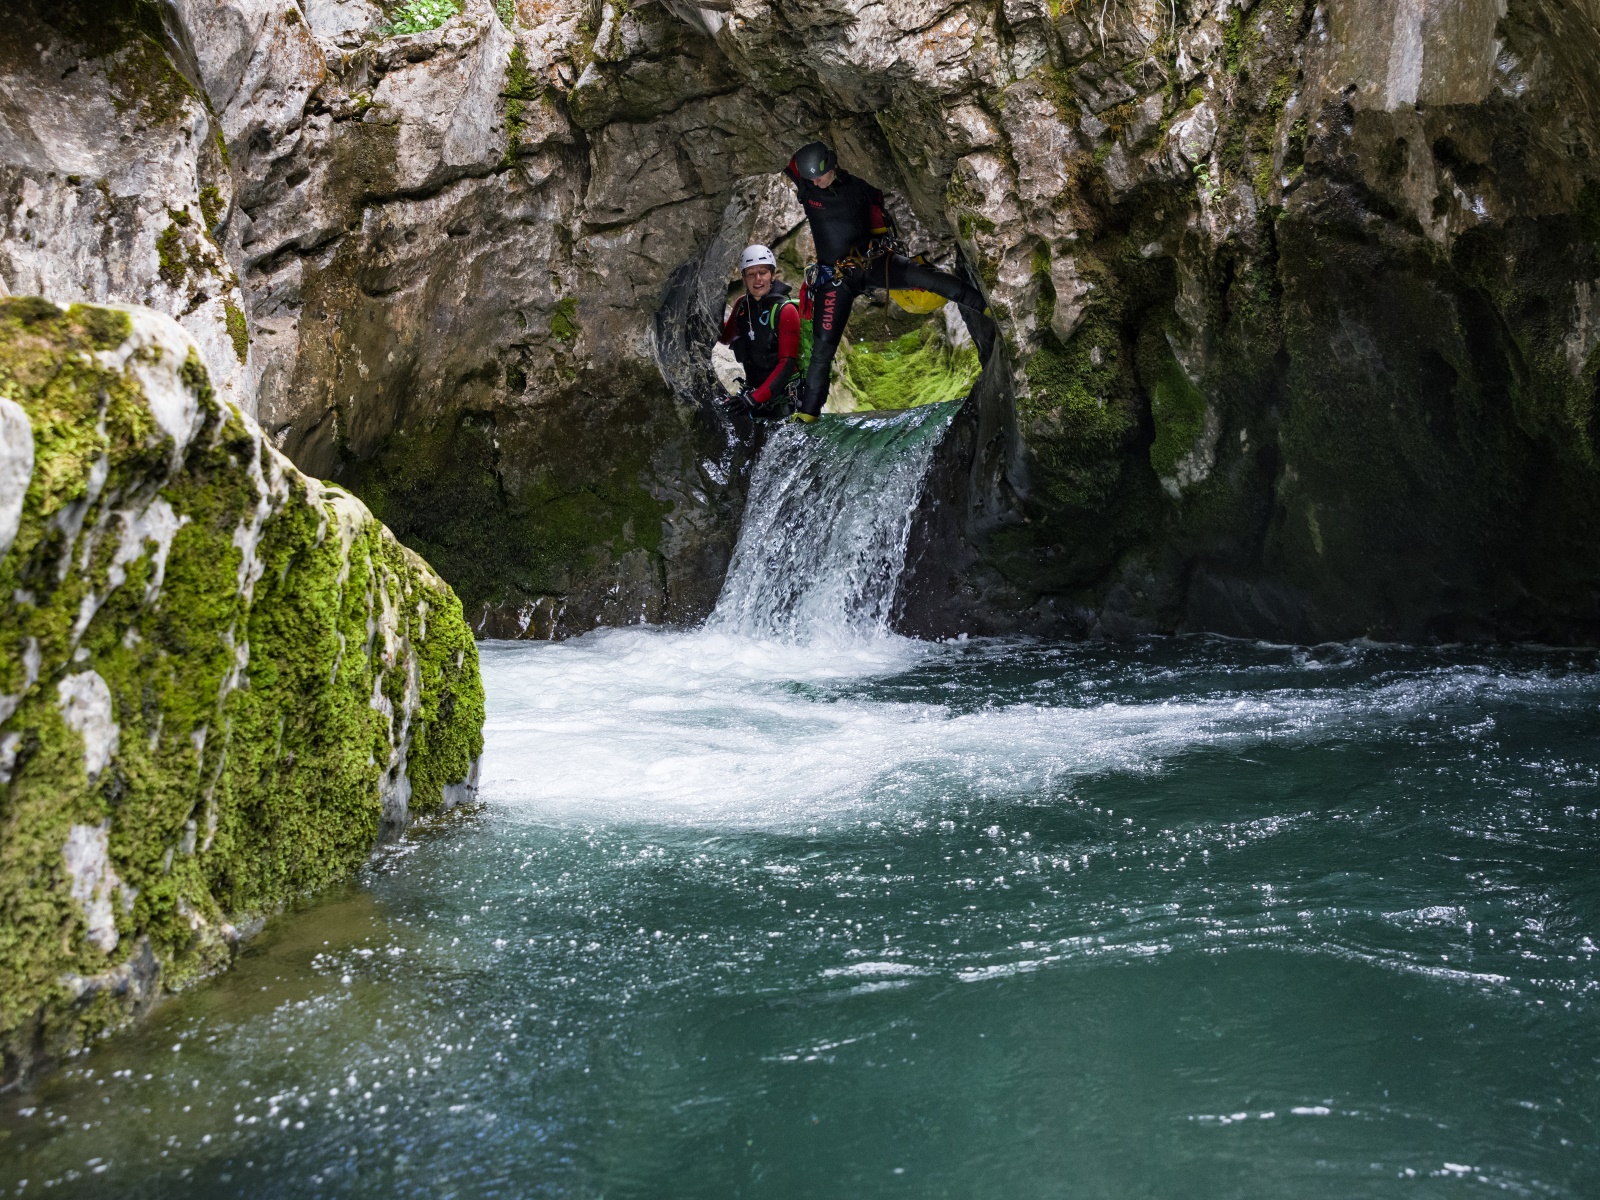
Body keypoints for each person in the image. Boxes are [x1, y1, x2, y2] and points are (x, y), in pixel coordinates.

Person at [785, 141, 990, 420]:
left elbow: (880, 188)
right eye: (811, 178)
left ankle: (987, 308)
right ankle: (809, 411)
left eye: (819, 175)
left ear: (832, 163)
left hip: (873, 263)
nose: (816, 181)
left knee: (925, 278)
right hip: (836, 279)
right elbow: (782, 157)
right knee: (823, 345)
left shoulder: (859, 185)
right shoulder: (808, 189)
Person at [718, 243, 802, 419]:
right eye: (751, 274)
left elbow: (786, 364)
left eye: (763, 272)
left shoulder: (785, 311)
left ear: (772, 275)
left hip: (783, 399)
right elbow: (726, 338)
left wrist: (753, 399)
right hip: (755, 394)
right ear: (743, 278)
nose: (758, 279)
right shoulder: (742, 305)